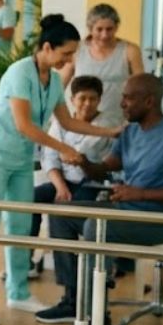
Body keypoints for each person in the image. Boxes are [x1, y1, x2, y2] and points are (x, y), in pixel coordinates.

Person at [0, 15, 119, 325]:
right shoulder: (20, 72)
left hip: (20, 160)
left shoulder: (53, 83)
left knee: (21, 226)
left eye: (73, 54)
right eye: (66, 53)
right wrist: (64, 150)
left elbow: (67, 121)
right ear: (47, 47)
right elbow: (24, 124)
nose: (70, 60)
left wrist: (112, 132)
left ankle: (17, 291)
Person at [36, 73, 163, 325]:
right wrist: (84, 161)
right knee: (61, 213)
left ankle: (98, 320)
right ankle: (73, 301)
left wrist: (140, 194)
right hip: (130, 210)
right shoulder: (131, 132)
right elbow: (104, 170)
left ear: (149, 101)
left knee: (96, 228)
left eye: (128, 98)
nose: (122, 104)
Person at [27, 75, 115, 278]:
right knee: (31, 200)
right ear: (72, 99)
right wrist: (60, 187)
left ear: (99, 100)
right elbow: (49, 157)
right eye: (82, 98)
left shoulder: (108, 126)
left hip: (92, 185)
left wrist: (80, 160)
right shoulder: (60, 123)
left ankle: (73, 277)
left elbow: (106, 165)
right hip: (63, 181)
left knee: (63, 213)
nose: (87, 104)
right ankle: (25, 261)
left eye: (93, 99)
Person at [60, 3, 145, 127]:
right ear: (90, 28)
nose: (104, 35)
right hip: (84, 124)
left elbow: (141, 87)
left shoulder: (130, 51)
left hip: (118, 122)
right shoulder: (77, 50)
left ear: (116, 27)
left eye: (109, 29)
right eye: (99, 29)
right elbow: (59, 85)